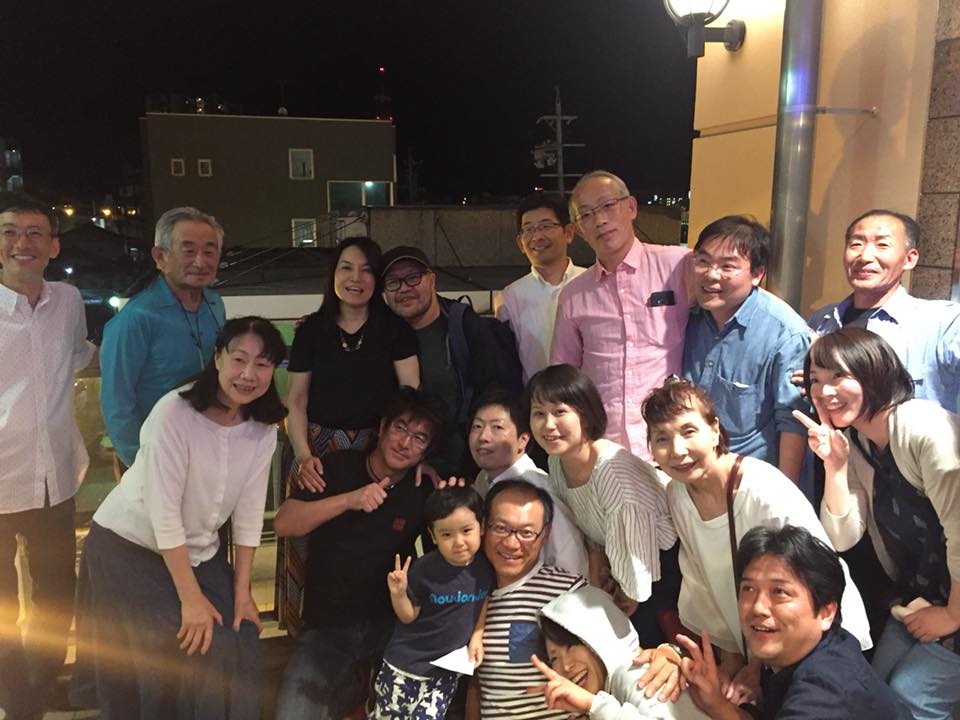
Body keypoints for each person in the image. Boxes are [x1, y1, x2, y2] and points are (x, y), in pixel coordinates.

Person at [74, 316, 287, 720]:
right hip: (129, 546)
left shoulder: (262, 428)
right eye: (239, 359)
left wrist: (242, 590)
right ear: (217, 357)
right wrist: (191, 600)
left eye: (262, 364)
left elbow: (248, 512)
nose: (248, 374)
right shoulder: (174, 413)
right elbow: (164, 514)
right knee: (179, 643)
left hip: (198, 549)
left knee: (241, 631)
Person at [641, 378, 871, 704]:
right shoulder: (678, 493)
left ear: (714, 430)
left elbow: (810, 582)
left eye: (689, 431)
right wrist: (733, 661)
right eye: (662, 438)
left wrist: (757, 667)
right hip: (761, 645)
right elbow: (703, 583)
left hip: (818, 643)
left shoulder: (762, 489)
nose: (677, 450)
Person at [799, 327, 960, 718]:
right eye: (816, 380)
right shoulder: (858, 442)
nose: (824, 391)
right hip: (922, 591)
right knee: (870, 684)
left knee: (910, 697)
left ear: (874, 371)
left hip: (954, 600)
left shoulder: (924, 429)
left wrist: (952, 615)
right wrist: (835, 467)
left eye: (839, 375)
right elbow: (843, 536)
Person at [273, 387, 446, 720]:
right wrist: (349, 500)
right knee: (293, 712)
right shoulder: (337, 467)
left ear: (426, 451)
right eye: (400, 428)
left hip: (389, 628)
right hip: (328, 628)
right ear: (381, 428)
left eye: (419, 438)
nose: (405, 443)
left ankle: (360, 693)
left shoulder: (422, 489)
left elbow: (447, 549)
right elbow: (284, 522)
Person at [281, 236, 419, 634]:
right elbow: (296, 401)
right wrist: (303, 455)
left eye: (366, 270)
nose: (355, 278)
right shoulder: (311, 330)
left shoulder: (395, 330)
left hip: (376, 449)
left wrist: (411, 455)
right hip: (316, 448)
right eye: (346, 268)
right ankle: (303, 628)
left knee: (366, 538)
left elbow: (410, 397)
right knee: (305, 538)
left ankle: (372, 625)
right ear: (333, 274)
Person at [0, 194, 95, 720]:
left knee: (57, 595)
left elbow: (80, 355)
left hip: (53, 478)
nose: (23, 243)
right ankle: (17, 700)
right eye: (10, 232)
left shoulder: (68, 300)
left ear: (53, 246)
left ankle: (41, 684)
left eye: (35, 232)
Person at [677, 525, 910, 720]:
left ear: (826, 612)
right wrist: (718, 705)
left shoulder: (824, 693)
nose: (758, 607)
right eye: (748, 589)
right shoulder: (822, 646)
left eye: (779, 592)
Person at [527, 364, 681, 648]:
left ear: (585, 416)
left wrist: (627, 592)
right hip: (623, 566)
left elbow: (636, 544)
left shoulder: (611, 470)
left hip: (661, 567)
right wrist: (598, 574)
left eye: (559, 412)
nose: (548, 425)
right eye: (539, 413)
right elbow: (591, 528)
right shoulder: (556, 463)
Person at [551, 170, 690, 460]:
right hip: (603, 447)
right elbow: (564, 377)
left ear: (631, 207)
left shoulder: (678, 266)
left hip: (673, 445)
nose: (600, 220)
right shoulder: (573, 295)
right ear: (579, 229)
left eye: (607, 205)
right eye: (586, 215)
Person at [682, 215, 810, 482]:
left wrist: (783, 492)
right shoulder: (687, 317)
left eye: (728, 266)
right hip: (693, 476)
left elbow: (793, 420)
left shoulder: (785, 333)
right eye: (703, 261)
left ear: (757, 274)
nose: (711, 274)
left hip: (751, 482)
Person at [100, 206, 226, 473]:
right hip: (156, 458)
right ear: (160, 257)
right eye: (188, 251)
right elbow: (116, 403)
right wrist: (142, 465)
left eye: (209, 251)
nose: (201, 261)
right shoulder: (136, 318)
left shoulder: (215, 304)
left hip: (207, 448)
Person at [807, 209, 960, 413]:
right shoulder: (823, 320)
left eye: (882, 245)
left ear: (909, 259)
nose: (864, 256)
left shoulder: (942, 322)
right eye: (856, 244)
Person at [371, 486, 493, 719]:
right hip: (405, 666)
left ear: (482, 526)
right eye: (446, 535)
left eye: (467, 530)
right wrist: (399, 594)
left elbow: (483, 599)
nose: (459, 542)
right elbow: (408, 616)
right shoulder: (424, 569)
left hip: (446, 672)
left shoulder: (485, 567)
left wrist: (477, 636)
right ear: (433, 536)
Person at [468, 479, 585, 720]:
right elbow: (475, 684)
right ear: (483, 526)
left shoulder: (570, 592)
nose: (512, 543)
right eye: (501, 528)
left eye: (526, 533)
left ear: (545, 535)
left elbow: (615, 661)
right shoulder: (467, 596)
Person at [381, 246, 501, 478]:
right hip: (402, 461)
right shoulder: (382, 333)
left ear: (432, 280)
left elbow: (492, 390)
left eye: (413, 277)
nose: (404, 288)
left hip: (461, 464)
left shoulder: (462, 324)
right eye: (393, 282)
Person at [531, 586, 708, 719]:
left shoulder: (636, 674)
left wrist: (594, 705)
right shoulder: (614, 687)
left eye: (571, 646)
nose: (565, 666)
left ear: (600, 634)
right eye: (554, 658)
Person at [469, 389, 589, 577]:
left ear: (523, 440)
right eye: (477, 426)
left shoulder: (538, 491)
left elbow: (570, 561)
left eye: (497, 427)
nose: (483, 436)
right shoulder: (483, 479)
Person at [496, 192, 585, 383]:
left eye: (546, 226)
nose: (537, 236)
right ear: (520, 243)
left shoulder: (591, 283)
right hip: (535, 398)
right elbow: (507, 363)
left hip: (588, 397)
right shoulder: (510, 297)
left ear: (569, 233)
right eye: (528, 229)